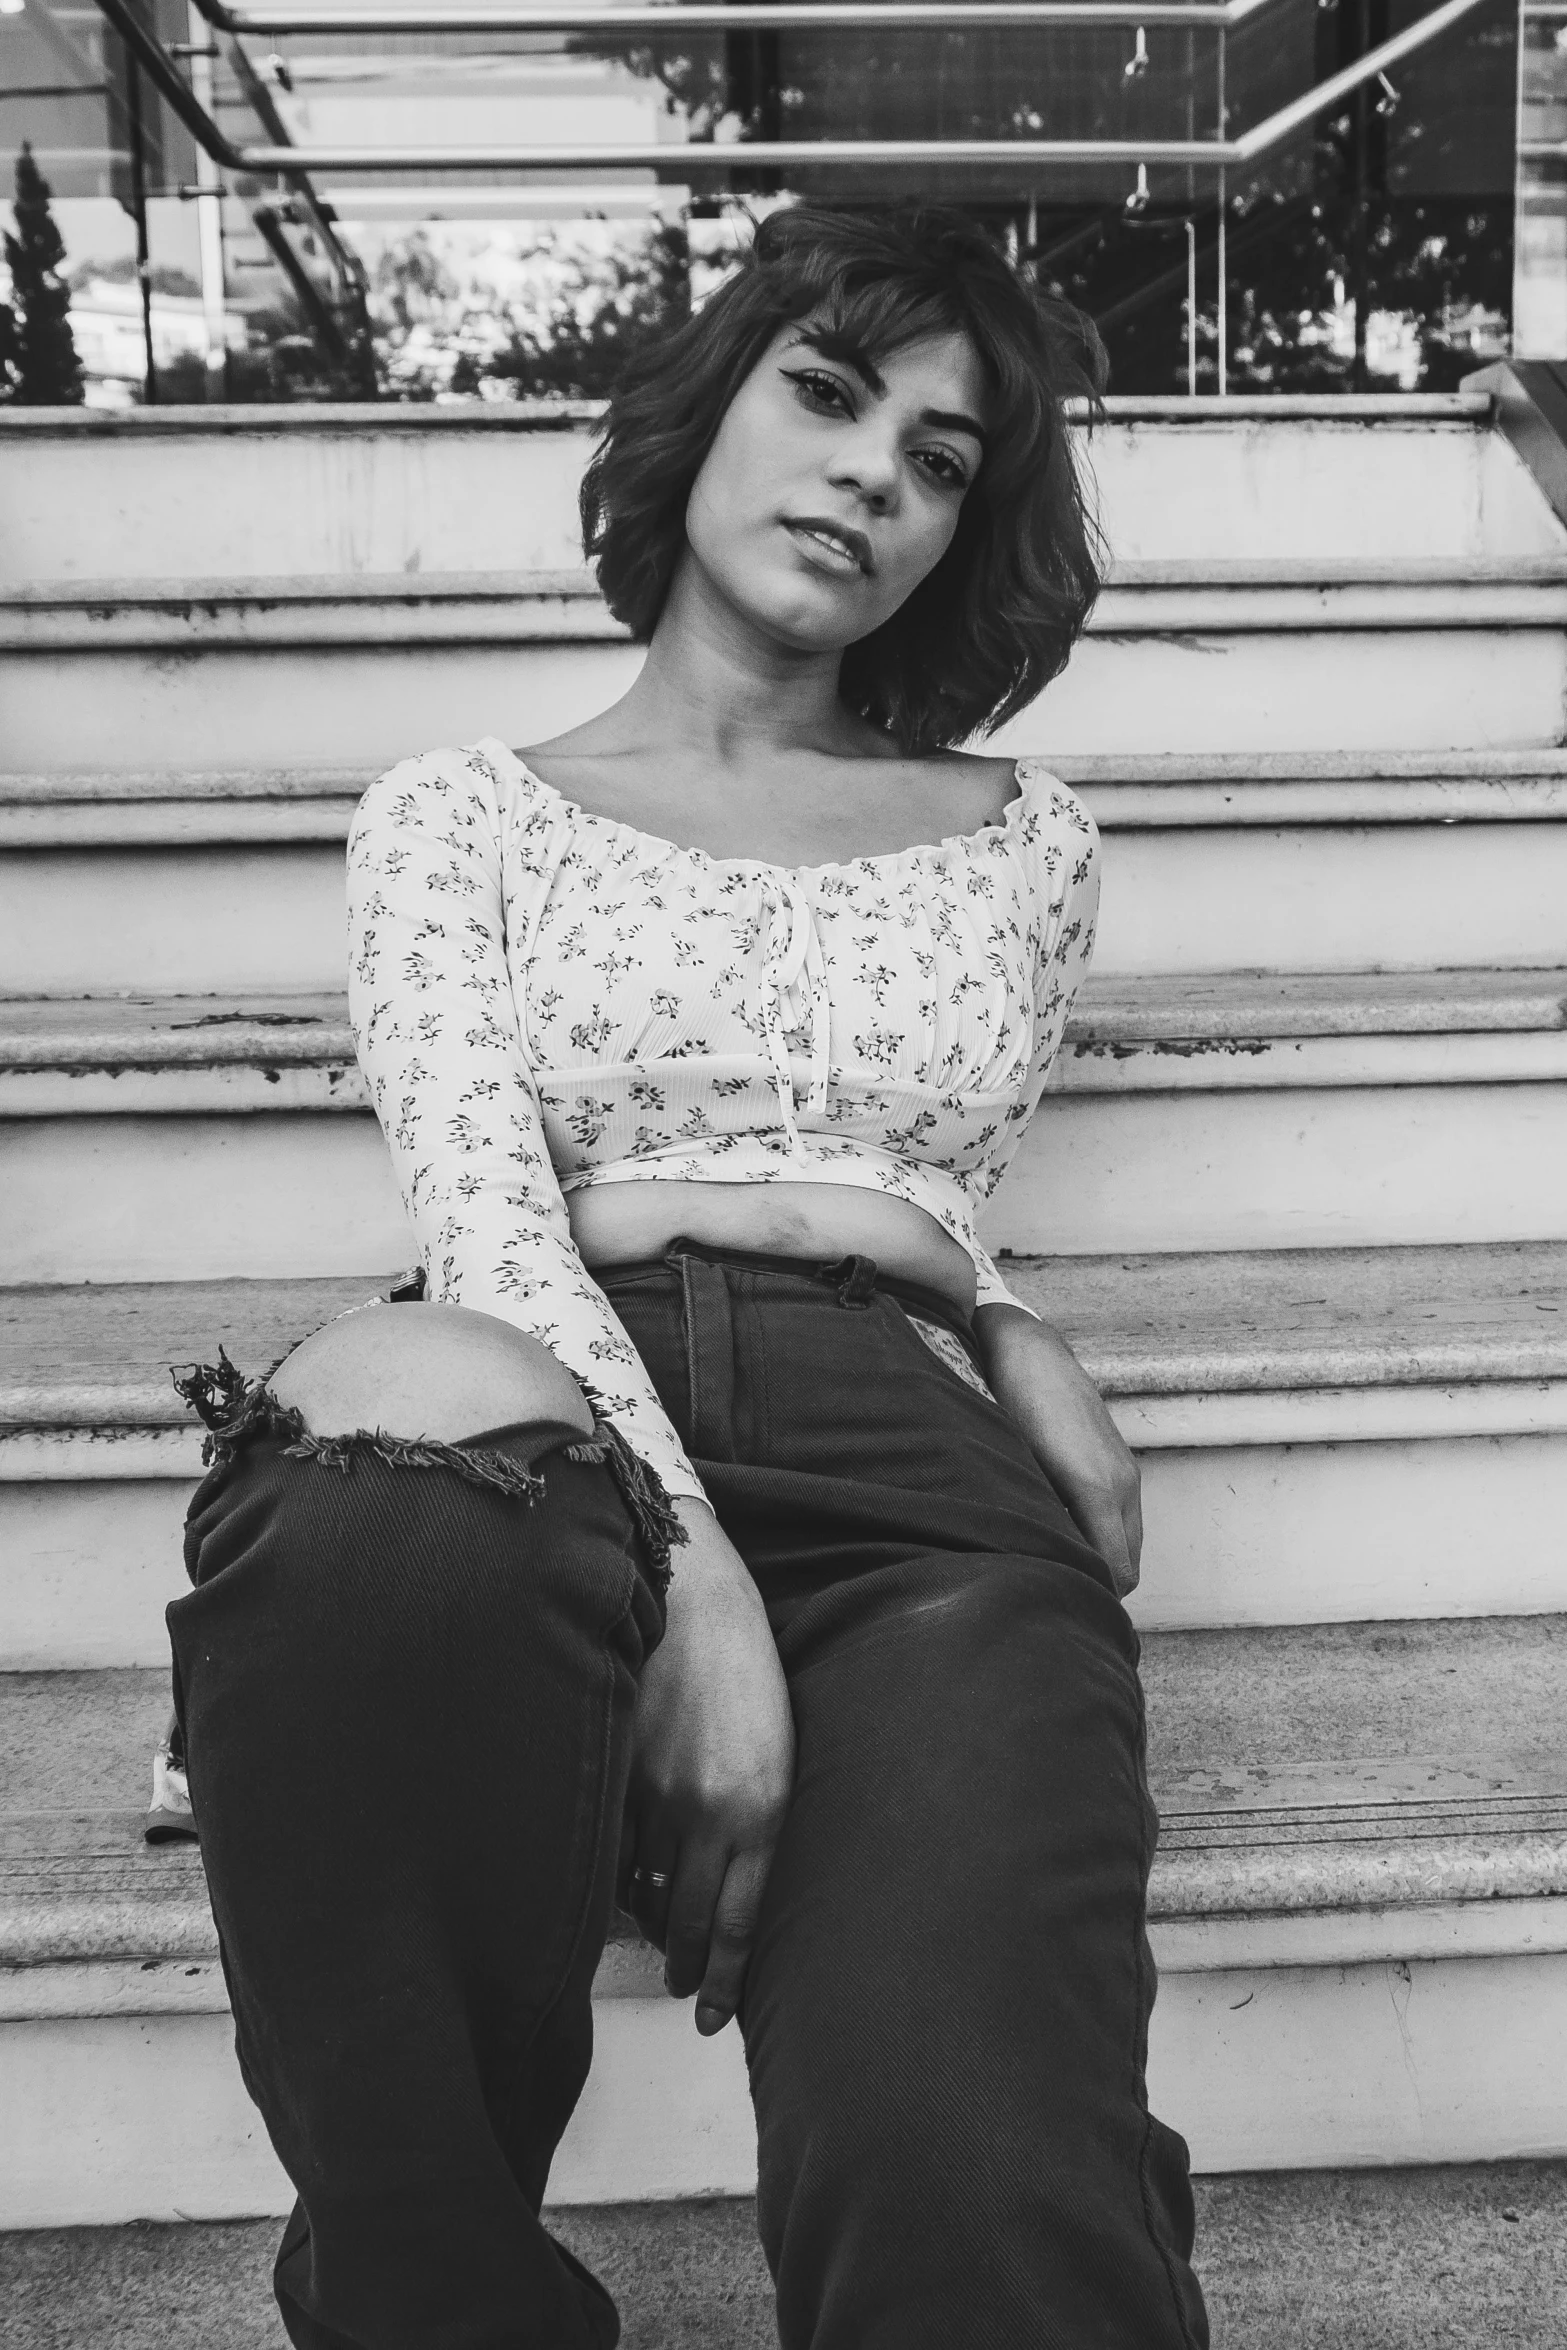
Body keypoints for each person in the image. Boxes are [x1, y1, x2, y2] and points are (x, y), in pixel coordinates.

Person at [164, 201, 1209, 2350]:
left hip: (906, 1468)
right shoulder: (457, 813)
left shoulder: (1029, 835)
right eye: (830, 395)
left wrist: (1005, 1322)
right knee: (374, 1502)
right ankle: (435, 2301)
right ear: (707, 410)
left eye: (938, 460)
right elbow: (483, 1200)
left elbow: (921, 1165)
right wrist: (690, 1574)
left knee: (972, 2191)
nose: (870, 477)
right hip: (526, 1429)